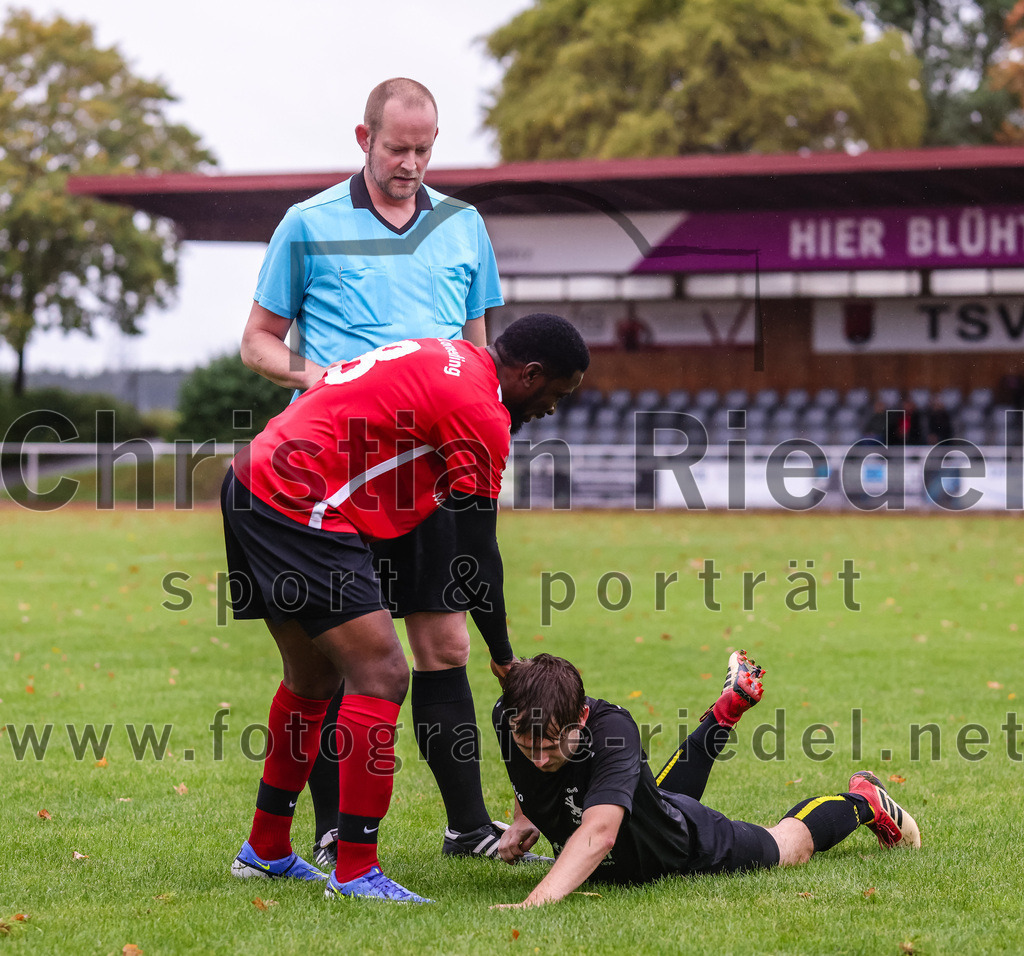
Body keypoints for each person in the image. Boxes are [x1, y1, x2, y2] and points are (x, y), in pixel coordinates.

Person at [238, 77, 519, 869]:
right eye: (397, 148)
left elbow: (475, 347)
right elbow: (257, 340)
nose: (411, 163)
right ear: (362, 138)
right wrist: (316, 379)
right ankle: (334, 834)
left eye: (425, 149)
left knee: (443, 645)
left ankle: (469, 826)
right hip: (337, 476)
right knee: (342, 658)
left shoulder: (465, 226)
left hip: (424, 478)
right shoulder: (307, 224)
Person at [224, 314, 589, 902]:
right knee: (383, 674)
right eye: (556, 393)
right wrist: (503, 657)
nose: (552, 407)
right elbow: (476, 555)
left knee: (312, 677)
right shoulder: (480, 412)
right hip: (299, 500)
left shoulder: (447, 355)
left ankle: (265, 849)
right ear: (531, 373)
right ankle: (355, 871)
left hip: (254, 479)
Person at [489, 652, 920, 908]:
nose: (540, 758)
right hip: (647, 823)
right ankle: (724, 713)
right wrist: (527, 815)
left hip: (686, 847)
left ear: (581, 717)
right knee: (655, 799)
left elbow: (599, 834)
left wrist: (533, 905)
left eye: (553, 746)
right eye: (529, 746)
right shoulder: (511, 715)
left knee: (791, 845)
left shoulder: (613, 733)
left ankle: (864, 800)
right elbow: (525, 771)